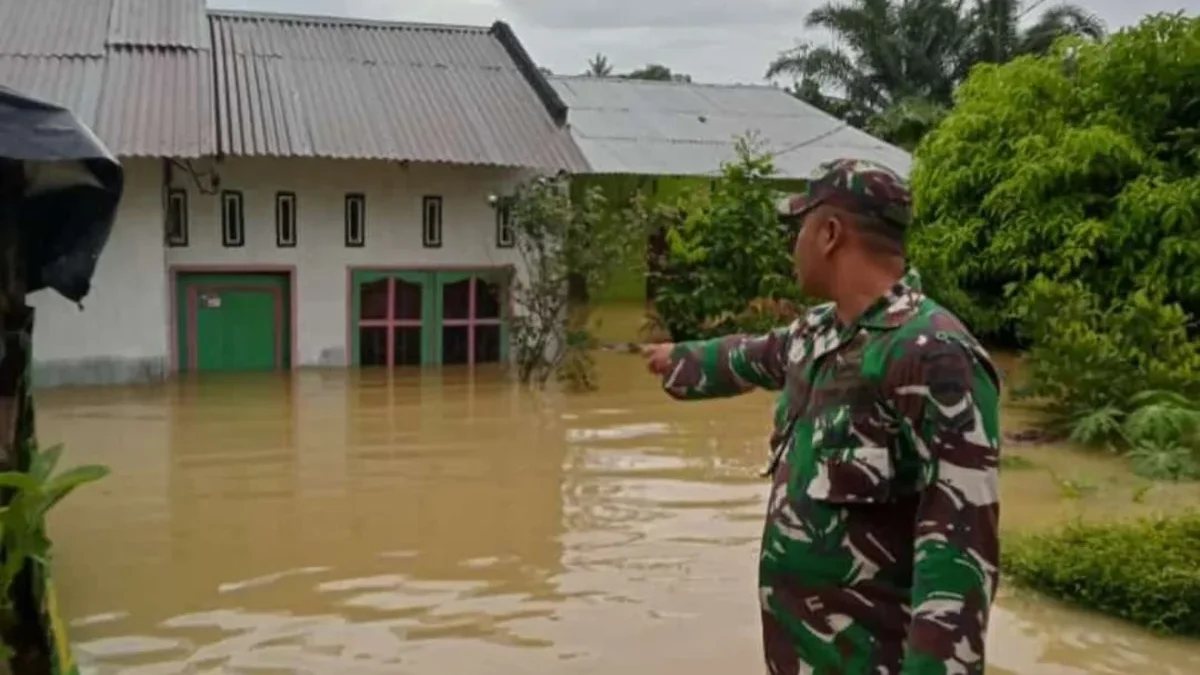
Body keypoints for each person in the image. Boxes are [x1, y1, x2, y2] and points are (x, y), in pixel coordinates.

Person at [642, 159, 1002, 674]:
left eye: (800, 228)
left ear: (830, 233)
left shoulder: (931, 354)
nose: (794, 246)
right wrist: (677, 359)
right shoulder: (820, 334)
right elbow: (751, 355)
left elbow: (959, 557)